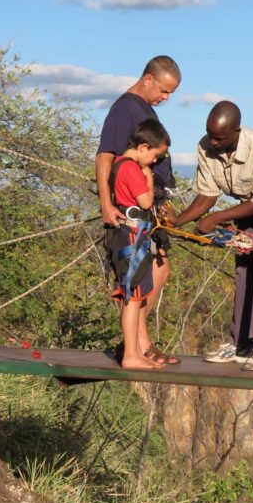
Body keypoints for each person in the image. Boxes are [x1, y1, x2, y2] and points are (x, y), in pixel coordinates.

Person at [162, 100, 253, 372]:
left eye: (219, 137)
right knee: (244, 262)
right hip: (247, 201)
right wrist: (178, 220)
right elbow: (207, 195)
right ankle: (240, 344)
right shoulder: (206, 146)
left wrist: (215, 219)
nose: (212, 142)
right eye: (210, 135)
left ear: (236, 131)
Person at [96, 55, 180, 364]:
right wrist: (106, 202)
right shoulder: (126, 107)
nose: (166, 98)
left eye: (171, 93)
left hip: (152, 204)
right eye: (164, 90)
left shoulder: (145, 109)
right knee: (145, 273)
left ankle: (140, 343)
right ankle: (138, 346)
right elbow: (105, 155)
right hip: (132, 209)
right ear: (147, 79)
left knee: (158, 270)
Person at [107, 119, 172, 369]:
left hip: (133, 236)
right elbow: (145, 202)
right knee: (132, 297)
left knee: (136, 295)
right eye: (155, 155)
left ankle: (134, 352)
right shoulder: (131, 168)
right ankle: (131, 355)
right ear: (144, 147)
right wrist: (148, 178)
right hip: (132, 237)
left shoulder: (119, 164)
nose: (155, 161)